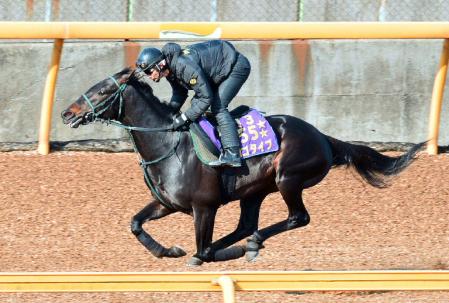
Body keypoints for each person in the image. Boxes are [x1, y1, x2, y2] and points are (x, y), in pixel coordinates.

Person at [135, 40, 251, 168]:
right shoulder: (170, 68)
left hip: (236, 66)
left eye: (149, 71)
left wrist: (183, 118)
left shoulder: (183, 67)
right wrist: (168, 112)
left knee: (218, 106)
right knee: (196, 103)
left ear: (160, 65)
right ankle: (219, 134)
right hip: (220, 69)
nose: (148, 76)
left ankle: (233, 153)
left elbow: (206, 98)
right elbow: (180, 92)